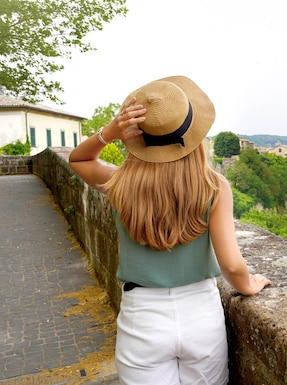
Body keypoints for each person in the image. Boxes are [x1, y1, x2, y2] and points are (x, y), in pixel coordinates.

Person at [69, 76, 271, 385]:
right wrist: (249, 285)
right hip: (201, 316)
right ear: (194, 134)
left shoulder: (119, 184)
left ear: (137, 137)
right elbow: (231, 264)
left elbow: (79, 158)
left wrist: (110, 132)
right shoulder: (215, 186)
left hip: (142, 318)